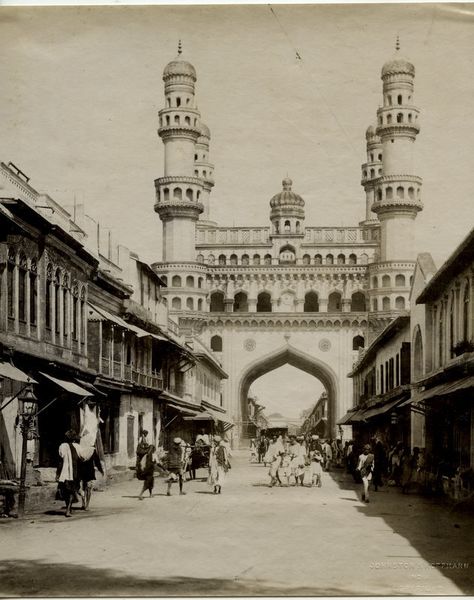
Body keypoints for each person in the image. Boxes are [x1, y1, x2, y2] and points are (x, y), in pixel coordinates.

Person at [56, 430, 81, 517]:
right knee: (71, 491)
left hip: (65, 472)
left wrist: (58, 473)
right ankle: (68, 509)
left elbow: (60, 461)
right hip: (74, 472)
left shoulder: (62, 446)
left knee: (67, 491)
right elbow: (81, 458)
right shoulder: (77, 446)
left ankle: (68, 508)